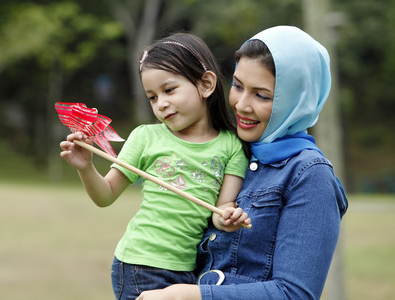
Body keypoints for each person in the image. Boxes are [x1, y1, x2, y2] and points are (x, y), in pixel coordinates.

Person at [136, 25, 349, 300]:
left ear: (297, 100)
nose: (241, 105)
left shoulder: (310, 175)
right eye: (237, 86)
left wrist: (191, 296)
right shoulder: (231, 152)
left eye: (262, 95)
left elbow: (295, 294)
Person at [60, 32, 250, 299]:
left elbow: (222, 209)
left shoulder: (232, 146)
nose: (161, 104)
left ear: (206, 84)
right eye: (152, 97)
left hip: (189, 272)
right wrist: (85, 167)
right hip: (140, 264)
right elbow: (105, 195)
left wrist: (229, 217)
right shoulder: (145, 137)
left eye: (169, 90)